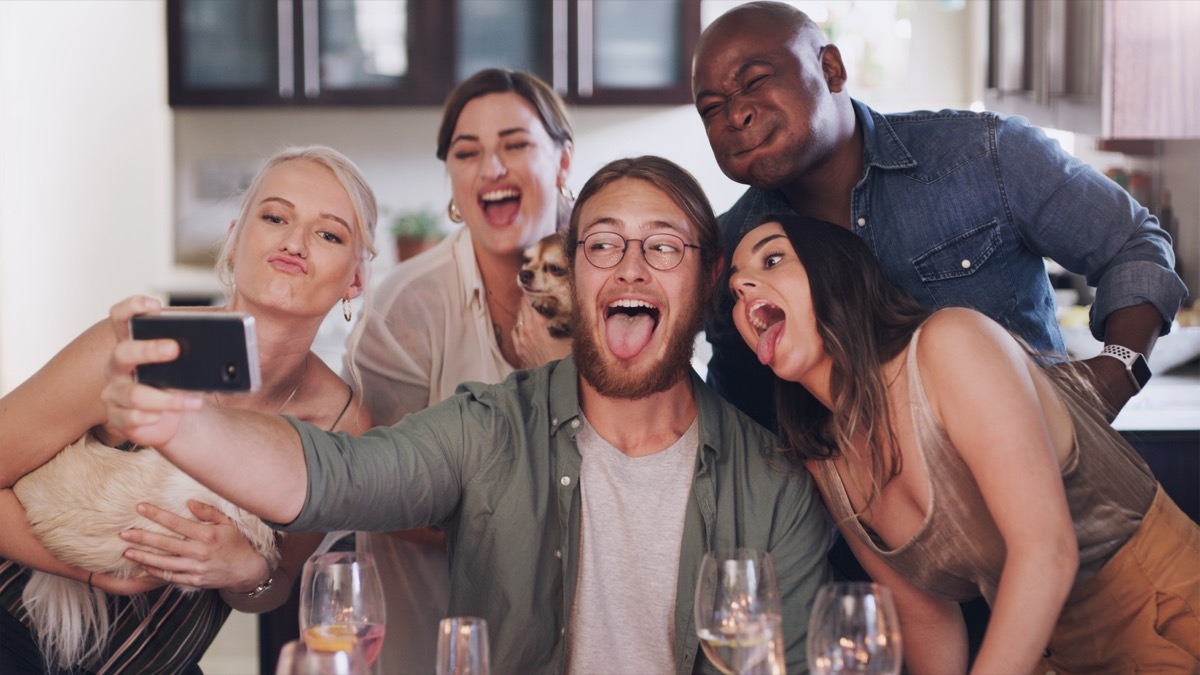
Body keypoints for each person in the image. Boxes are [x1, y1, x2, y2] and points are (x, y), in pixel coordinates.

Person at [102, 156, 834, 674]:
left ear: (708, 277)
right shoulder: (490, 427)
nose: (630, 267)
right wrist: (180, 423)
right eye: (603, 244)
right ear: (575, 274)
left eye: (663, 246)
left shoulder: (773, 484)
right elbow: (336, 473)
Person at [727, 214, 1200, 673]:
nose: (744, 285)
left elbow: (1046, 551)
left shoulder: (950, 343)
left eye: (771, 260)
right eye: (734, 286)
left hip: (1169, 618)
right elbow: (927, 618)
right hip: (1045, 654)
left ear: (837, 272)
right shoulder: (827, 461)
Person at [692, 1, 1188, 432]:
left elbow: (1132, 243)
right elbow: (744, 423)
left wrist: (1118, 370)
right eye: (712, 108)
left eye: (755, 81)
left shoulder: (983, 156)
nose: (735, 115)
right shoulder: (732, 252)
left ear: (831, 69)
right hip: (859, 534)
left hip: (1055, 493)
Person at [0, 145, 376, 674]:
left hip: (161, 663)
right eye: (274, 217)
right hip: (15, 640)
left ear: (354, 280)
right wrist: (93, 575)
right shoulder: (134, 349)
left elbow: (273, 589)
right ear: (234, 240)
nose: (295, 241)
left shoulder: (345, 426)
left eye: (329, 233)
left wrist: (249, 571)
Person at [349, 68, 575, 673]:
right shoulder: (404, 311)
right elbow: (389, 497)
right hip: (432, 640)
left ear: (562, 161)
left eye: (516, 144)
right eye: (467, 152)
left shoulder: (616, 281)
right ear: (452, 177)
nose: (491, 168)